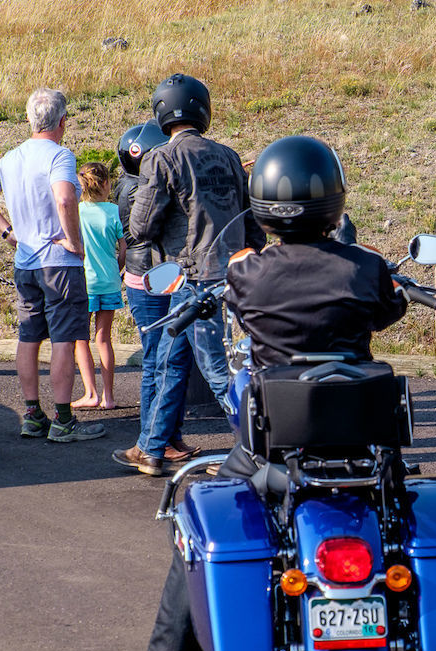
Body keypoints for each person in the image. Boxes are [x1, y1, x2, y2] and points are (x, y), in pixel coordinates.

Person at [140, 135, 411, 651]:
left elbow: (227, 298)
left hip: (273, 451)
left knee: (195, 527)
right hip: (363, 446)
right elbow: (390, 310)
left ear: (261, 204)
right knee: (405, 514)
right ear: (334, 202)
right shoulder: (364, 268)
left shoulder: (248, 274)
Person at [113, 73, 264, 477]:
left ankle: (257, 452)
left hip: (192, 278)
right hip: (237, 272)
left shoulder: (160, 158)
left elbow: (141, 227)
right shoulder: (229, 156)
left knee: (218, 371)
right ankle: (151, 447)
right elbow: (254, 225)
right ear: (202, 108)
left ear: (161, 112)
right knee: (169, 358)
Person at [0, 88, 106, 442]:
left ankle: (31, 413)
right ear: (63, 122)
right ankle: (62, 418)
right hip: (59, 262)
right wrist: (74, 241)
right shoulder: (60, 156)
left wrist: (7, 231)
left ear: (29, 119)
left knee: (28, 336)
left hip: (26, 260)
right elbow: (63, 197)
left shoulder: (12, 158)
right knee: (64, 337)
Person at [113, 121, 199, 464]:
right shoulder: (142, 187)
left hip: (146, 275)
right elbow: (157, 226)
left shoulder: (129, 183)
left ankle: (164, 437)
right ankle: (156, 440)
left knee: (162, 361)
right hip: (154, 277)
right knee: (160, 362)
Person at [72, 162, 125, 410]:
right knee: (104, 338)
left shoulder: (77, 211)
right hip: (110, 281)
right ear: (106, 183)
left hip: (85, 282)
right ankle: (109, 397)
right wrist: (118, 269)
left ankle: (90, 393)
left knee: (80, 339)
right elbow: (123, 249)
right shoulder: (114, 211)